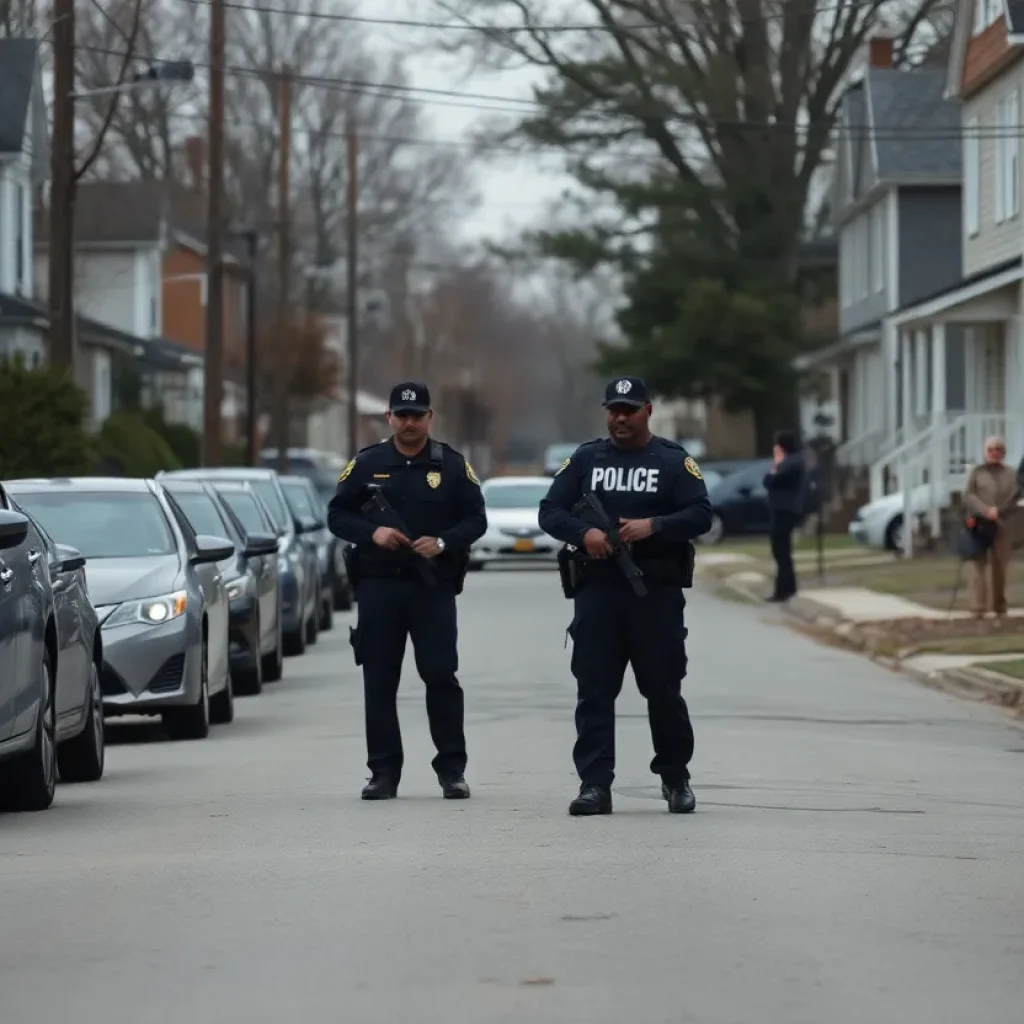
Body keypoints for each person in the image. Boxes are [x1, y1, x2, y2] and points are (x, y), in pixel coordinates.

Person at [538, 376, 713, 817]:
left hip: (654, 594)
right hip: (599, 592)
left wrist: (653, 526)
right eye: (613, 409)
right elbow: (550, 510)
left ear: (648, 411)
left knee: (663, 689)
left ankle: (675, 777)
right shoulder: (586, 459)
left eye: (629, 409)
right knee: (594, 690)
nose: (619, 417)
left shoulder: (671, 460)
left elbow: (701, 513)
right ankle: (595, 784)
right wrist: (586, 533)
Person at [327, 381, 487, 800]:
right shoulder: (367, 464)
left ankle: (452, 770)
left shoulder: (451, 465)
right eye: (402, 415)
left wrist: (444, 541)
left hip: (431, 589)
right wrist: (372, 532)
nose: (409, 422)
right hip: (380, 586)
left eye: (417, 415)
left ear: (430, 418)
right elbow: (337, 516)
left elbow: (476, 520)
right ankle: (383, 772)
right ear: (390, 418)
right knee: (379, 680)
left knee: (440, 676)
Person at [963, 435, 1021, 619]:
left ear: (1003, 452)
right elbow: (968, 496)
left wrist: (999, 511)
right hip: (980, 524)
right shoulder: (977, 473)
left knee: (999, 566)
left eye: (998, 449)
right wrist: (984, 510)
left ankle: (999, 606)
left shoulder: (1012, 474)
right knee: (978, 566)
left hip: (1002, 524)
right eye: (990, 449)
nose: (994, 452)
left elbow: (1016, 497)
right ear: (984, 452)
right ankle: (978, 607)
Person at [762, 430, 806, 603]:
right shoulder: (793, 461)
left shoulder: (789, 463)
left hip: (784, 510)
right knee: (782, 550)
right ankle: (787, 588)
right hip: (785, 509)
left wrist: (776, 464)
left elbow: (769, 481)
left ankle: (784, 590)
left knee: (780, 550)